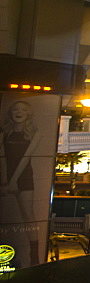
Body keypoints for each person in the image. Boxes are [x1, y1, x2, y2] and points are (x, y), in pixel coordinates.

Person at [0, 99, 43, 266]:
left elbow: (26, 159)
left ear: (28, 114)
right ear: (10, 113)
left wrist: (13, 181)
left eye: (23, 110)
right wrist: (5, 181)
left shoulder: (35, 133)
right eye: (15, 109)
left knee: (29, 215)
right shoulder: (4, 132)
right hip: (5, 177)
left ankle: (34, 256)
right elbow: (2, 158)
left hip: (24, 177)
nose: (18, 112)